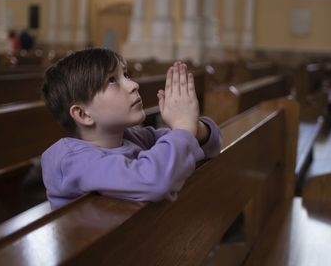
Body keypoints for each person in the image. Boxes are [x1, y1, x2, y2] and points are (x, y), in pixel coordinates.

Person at [40, 48, 221, 209]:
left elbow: (210, 144)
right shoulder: (74, 162)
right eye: (112, 80)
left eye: (125, 75)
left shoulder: (131, 138)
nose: (134, 85)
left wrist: (192, 125)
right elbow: (153, 181)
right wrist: (182, 127)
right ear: (83, 114)